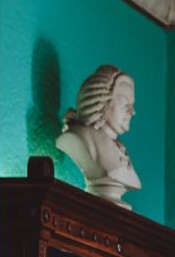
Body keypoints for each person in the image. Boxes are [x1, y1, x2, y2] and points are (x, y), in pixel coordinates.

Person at [57, 65, 142, 205]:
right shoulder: (79, 136)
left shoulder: (121, 148)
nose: (132, 111)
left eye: (132, 104)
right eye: (124, 101)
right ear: (101, 99)